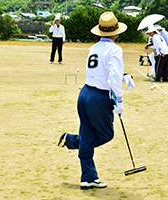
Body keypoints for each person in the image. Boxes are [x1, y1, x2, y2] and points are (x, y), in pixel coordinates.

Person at [57, 11, 135, 190]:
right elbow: (112, 76)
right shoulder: (115, 49)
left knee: (87, 135)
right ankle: (73, 142)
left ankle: (88, 177)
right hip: (98, 98)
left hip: (85, 94)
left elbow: (103, 71)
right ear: (116, 33)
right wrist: (120, 100)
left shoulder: (94, 48)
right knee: (106, 134)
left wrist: (124, 76)